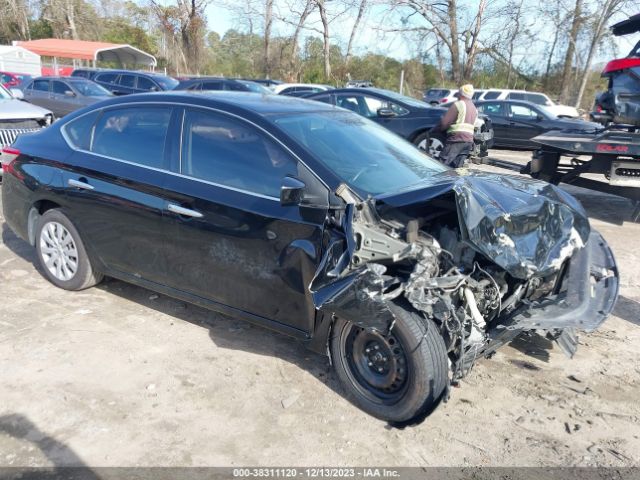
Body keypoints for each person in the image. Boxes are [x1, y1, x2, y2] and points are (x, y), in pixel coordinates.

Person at [430, 84, 478, 168]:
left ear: (461, 94)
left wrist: (433, 131)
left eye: (459, 94)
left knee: (442, 165)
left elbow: (444, 123)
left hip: (456, 140)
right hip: (468, 142)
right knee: (457, 168)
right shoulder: (474, 108)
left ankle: (440, 181)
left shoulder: (458, 104)